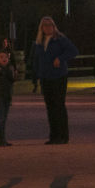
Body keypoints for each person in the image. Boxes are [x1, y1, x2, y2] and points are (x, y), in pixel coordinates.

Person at [31, 16, 79, 145]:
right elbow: (36, 60)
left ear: (53, 26)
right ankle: (54, 136)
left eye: (50, 25)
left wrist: (61, 58)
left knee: (59, 106)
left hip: (58, 76)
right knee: (50, 107)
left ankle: (63, 135)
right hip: (45, 77)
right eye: (45, 25)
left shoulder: (60, 39)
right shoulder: (39, 42)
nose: (47, 27)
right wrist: (36, 77)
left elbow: (74, 51)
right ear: (41, 28)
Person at [0, 49, 18, 146]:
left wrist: (13, 74)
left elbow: (12, 80)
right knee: (1, 117)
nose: (4, 59)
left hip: (7, 95)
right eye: (1, 57)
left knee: (4, 117)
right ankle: (0, 139)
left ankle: (3, 138)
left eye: (6, 57)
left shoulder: (10, 68)